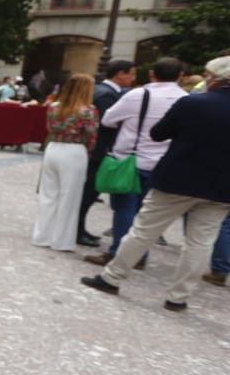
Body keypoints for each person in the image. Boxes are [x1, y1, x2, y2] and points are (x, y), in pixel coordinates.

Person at [81, 56, 230, 311]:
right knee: (200, 241)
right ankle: (178, 297)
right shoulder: (190, 100)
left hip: (178, 179)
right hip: (221, 187)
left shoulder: (193, 102)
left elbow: (159, 133)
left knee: (144, 230)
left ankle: (112, 277)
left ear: (215, 79)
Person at [84, 57, 185, 268]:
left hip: (130, 159)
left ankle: (119, 254)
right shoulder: (185, 98)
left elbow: (108, 120)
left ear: (151, 74)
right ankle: (139, 256)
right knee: (147, 214)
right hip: (163, 163)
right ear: (180, 75)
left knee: (124, 209)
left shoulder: (138, 95)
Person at [32, 73, 97, 252]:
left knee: (48, 194)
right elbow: (91, 136)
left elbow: (48, 128)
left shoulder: (54, 107)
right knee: (69, 197)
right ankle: (61, 240)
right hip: (75, 150)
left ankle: (41, 235)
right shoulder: (88, 110)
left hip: (54, 147)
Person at [77, 59, 136, 247]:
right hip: (99, 150)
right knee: (88, 193)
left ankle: (78, 228)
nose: (133, 79)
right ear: (120, 74)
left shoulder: (103, 91)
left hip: (96, 149)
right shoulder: (107, 95)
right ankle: (76, 230)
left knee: (88, 192)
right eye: (132, 74)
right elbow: (106, 125)